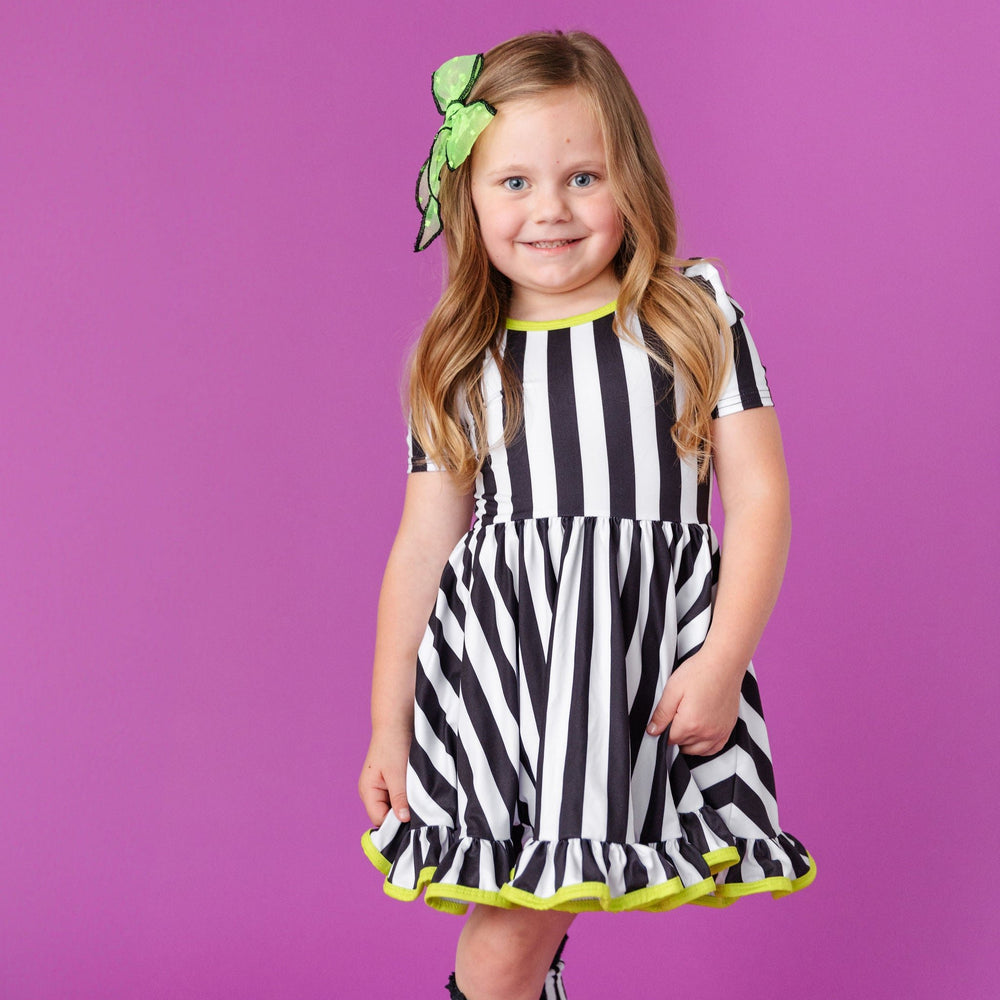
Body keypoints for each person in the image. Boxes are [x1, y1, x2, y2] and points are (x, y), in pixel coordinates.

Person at [358, 30, 816, 1000]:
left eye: (581, 176)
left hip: (640, 668)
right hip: (505, 681)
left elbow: (761, 496)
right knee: (510, 928)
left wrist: (723, 657)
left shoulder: (693, 317)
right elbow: (423, 547)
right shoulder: (461, 358)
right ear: (466, 197)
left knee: (530, 920)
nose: (549, 210)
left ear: (630, 180)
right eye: (513, 182)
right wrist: (387, 724)